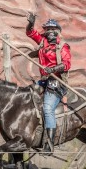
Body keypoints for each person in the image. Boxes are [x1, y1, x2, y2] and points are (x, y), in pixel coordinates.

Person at [26, 13, 71, 154]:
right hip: (44, 80)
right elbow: (30, 33)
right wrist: (31, 23)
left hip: (57, 81)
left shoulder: (63, 46)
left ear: (57, 31)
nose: (49, 32)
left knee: (47, 108)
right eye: (47, 29)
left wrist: (52, 69)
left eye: (52, 29)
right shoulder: (42, 42)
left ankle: (49, 144)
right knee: (28, 96)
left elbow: (67, 64)